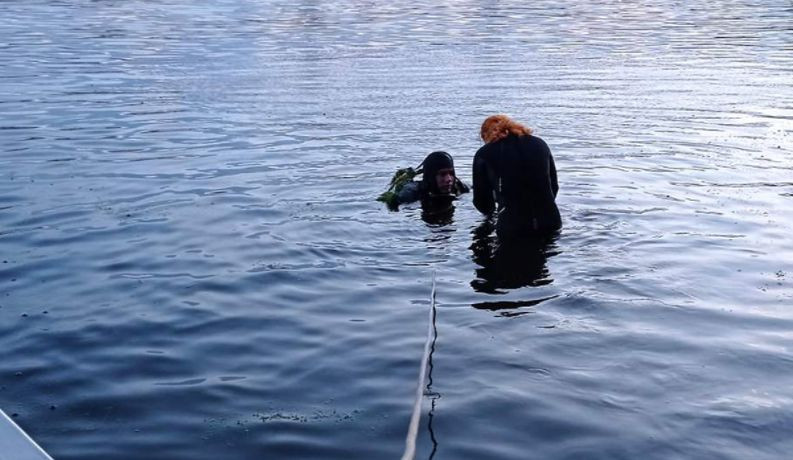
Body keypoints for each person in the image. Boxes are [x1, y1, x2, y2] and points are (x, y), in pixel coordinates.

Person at [473, 115, 561, 239]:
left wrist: (495, 210)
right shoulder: (540, 144)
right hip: (551, 222)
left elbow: (482, 203)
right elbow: (554, 187)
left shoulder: (484, 154)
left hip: (513, 227)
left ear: (485, 135)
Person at [384, 151, 469, 208]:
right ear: (431, 176)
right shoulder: (410, 194)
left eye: (451, 173)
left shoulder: (461, 188)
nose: (449, 179)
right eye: (442, 174)